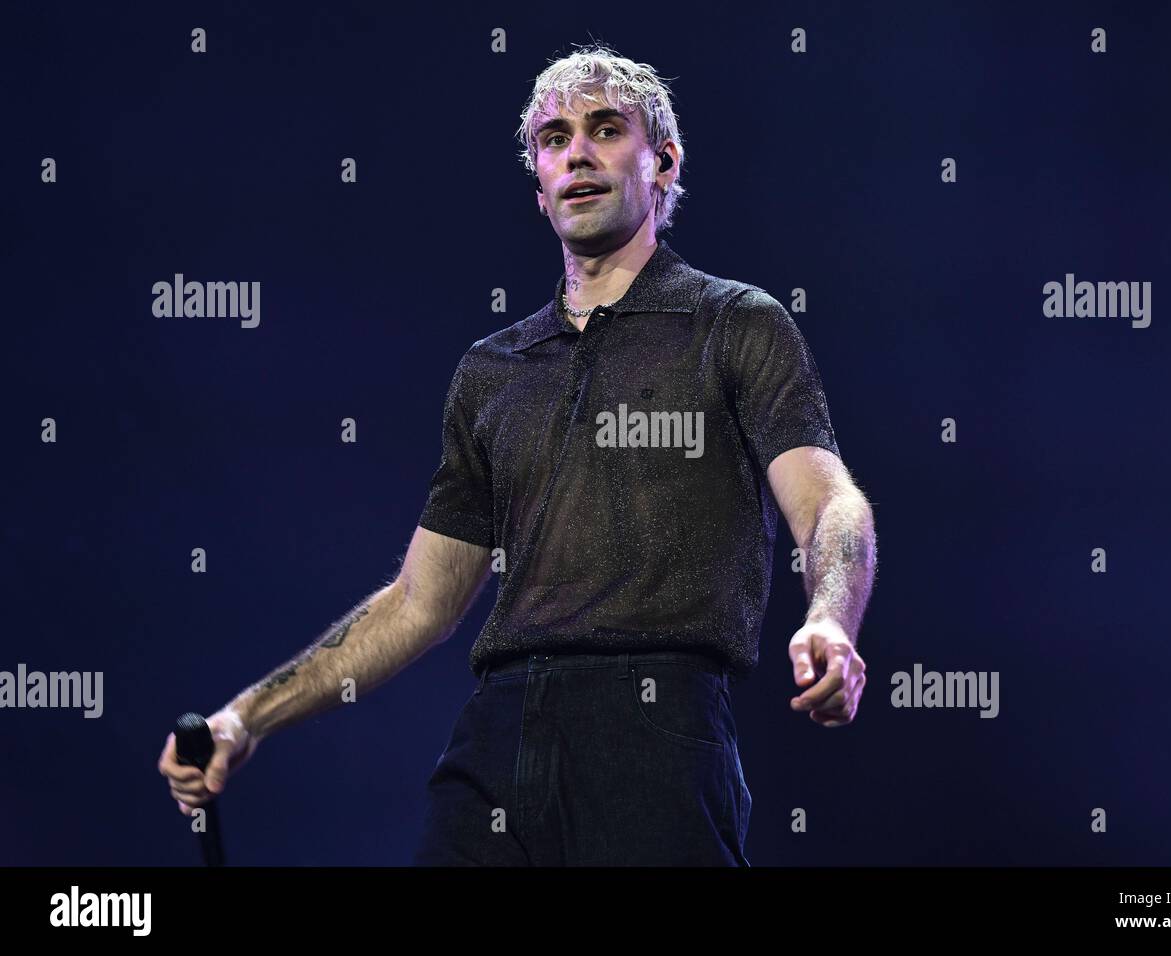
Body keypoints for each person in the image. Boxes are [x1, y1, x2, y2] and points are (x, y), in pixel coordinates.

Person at [157, 43, 877, 866]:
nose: (578, 153)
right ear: (538, 185)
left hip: (656, 733)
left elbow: (829, 504)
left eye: (607, 130)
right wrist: (247, 717)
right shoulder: (491, 370)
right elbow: (417, 603)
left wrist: (829, 615)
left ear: (664, 163)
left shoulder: (735, 325)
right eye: (554, 138)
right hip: (498, 740)